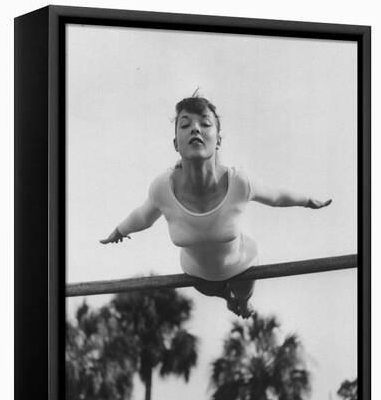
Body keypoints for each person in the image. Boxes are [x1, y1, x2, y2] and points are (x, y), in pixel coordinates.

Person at [100, 95, 332, 317]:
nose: (195, 129)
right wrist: (120, 230)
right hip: (198, 274)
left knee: (241, 295)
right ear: (175, 144)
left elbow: (276, 196)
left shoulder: (239, 181)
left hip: (241, 265)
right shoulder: (163, 187)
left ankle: (241, 302)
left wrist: (307, 200)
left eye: (205, 123)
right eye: (185, 124)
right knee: (211, 289)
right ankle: (228, 299)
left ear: (218, 140)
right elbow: (143, 216)